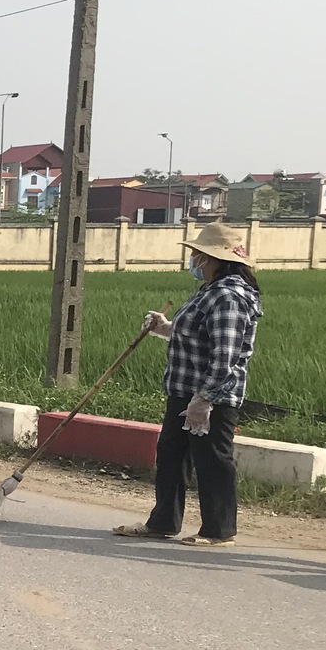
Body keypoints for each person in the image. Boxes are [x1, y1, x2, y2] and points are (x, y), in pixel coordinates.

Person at [114, 222, 262, 548]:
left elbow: (225, 355)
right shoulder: (210, 290)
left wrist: (204, 399)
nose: (193, 258)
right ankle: (163, 521)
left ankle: (219, 530)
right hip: (184, 390)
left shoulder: (228, 296)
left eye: (197, 254)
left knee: (212, 459)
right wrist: (165, 328)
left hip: (212, 396)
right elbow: (197, 337)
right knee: (171, 455)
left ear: (212, 258)